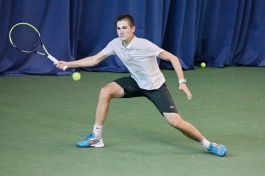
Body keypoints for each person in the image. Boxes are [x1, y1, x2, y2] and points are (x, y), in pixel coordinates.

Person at [56, 14, 227, 157]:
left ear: (132, 29)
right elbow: (94, 59)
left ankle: (209, 145)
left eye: (124, 28)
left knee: (175, 122)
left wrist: (182, 81)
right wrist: (69, 64)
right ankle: (96, 137)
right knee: (105, 91)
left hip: (155, 86)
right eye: (118, 28)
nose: (121, 31)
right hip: (136, 81)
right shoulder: (115, 44)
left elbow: (173, 58)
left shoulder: (144, 45)